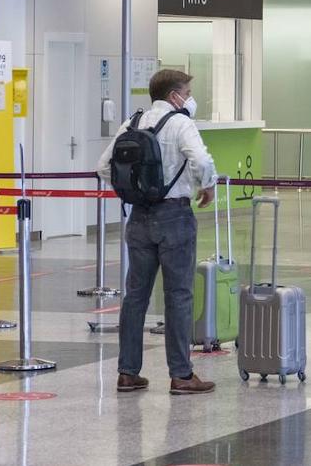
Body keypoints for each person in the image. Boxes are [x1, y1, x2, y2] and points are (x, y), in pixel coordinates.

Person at [97, 69, 217, 395]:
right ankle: (181, 375)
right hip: (174, 217)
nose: (191, 97)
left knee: (135, 296)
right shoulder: (180, 123)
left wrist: (132, 192)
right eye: (188, 91)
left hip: (137, 218)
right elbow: (201, 160)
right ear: (175, 96)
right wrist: (207, 186)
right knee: (178, 296)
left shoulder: (132, 122)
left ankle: (127, 372)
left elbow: (103, 166)